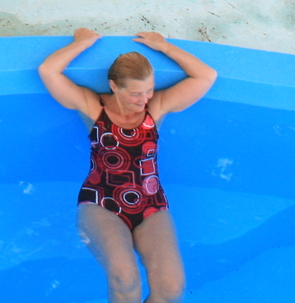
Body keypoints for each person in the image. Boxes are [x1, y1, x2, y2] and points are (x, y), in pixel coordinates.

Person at [38, 28, 217, 303]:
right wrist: (83, 43)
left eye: (148, 90)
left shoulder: (155, 108)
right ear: (114, 86)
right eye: (135, 93)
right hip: (101, 201)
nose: (144, 99)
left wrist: (164, 47)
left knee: (171, 289)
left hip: (151, 204)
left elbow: (206, 76)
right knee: (124, 279)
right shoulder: (94, 107)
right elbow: (48, 70)